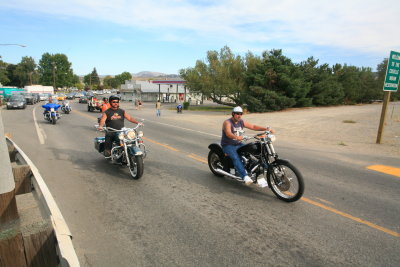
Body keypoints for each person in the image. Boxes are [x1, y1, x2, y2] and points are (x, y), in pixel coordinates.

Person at [221, 106, 275, 186]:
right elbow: (228, 133)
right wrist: (236, 137)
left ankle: (268, 168)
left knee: (252, 153)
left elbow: (253, 126)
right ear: (233, 114)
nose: (239, 115)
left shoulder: (241, 122)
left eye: (241, 114)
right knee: (236, 158)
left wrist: (266, 129)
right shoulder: (227, 122)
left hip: (238, 144)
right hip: (228, 145)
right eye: (237, 114)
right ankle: (244, 176)